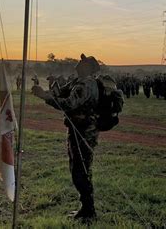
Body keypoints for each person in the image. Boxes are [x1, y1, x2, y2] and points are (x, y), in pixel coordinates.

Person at [32, 54, 102, 221]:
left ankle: (88, 211)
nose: (77, 65)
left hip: (83, 132)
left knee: (81, 171)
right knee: (79, 169)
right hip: (79, 129)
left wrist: (45, 96)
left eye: (81, 63)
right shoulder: (80, 82)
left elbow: (69, 104)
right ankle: (86, 209)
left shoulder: (86, 84)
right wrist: (48, 93)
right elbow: (62, 95)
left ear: (87, 67)